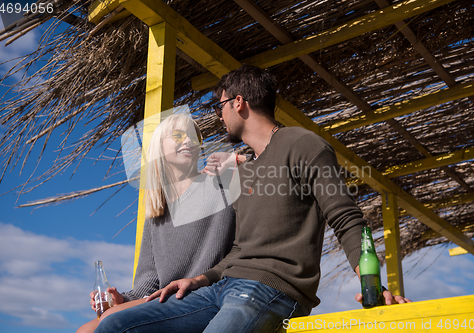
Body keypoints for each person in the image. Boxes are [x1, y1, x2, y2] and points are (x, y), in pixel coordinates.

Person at [95, 65, 410, 333]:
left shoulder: (302, 144)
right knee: (113, 326)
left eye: (219, 106)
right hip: (220, 288)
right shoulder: (242, 175)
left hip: (272, 289)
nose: (219, 116)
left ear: (239, 103)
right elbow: (239, 250)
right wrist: (198, 279)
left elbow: (345, 217)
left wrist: (373, 284)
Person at [77, 113, 236, 332]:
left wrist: (235, 163)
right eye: (178, 135)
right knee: (84, 330)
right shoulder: (157, 212)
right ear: (160, 148)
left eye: (193, 136)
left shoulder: (219, 185)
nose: (188, 141)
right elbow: (149, 280)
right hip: (164, 299)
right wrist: (121, 299)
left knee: (111, 321)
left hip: (205, 294)